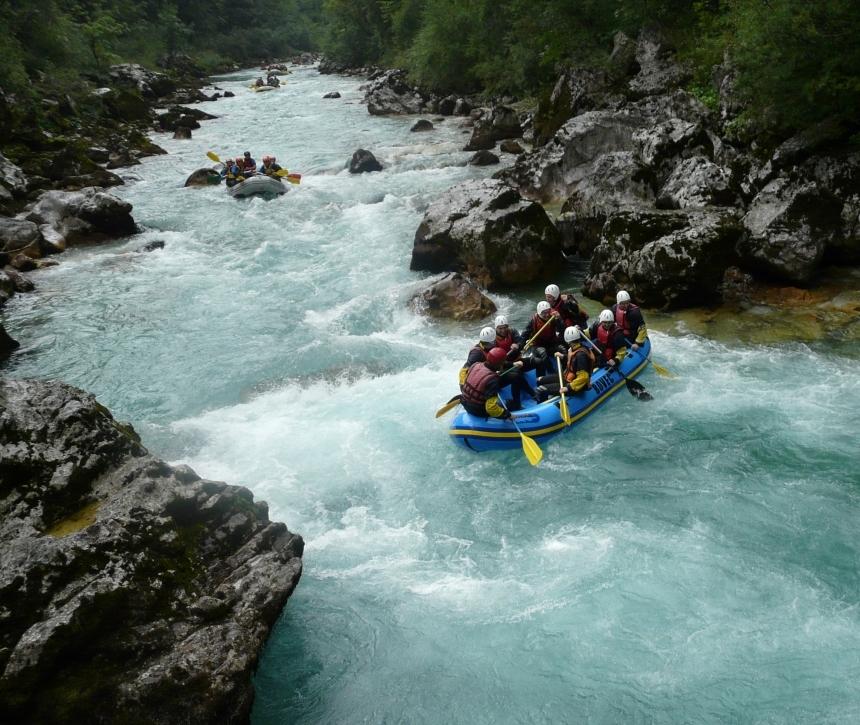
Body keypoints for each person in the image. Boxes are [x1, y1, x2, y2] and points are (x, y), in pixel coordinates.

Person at [535, 326, 595, 401]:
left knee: (540, 390)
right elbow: (573, 360)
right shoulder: (576, 348)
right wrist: (563, 356)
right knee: (539, 380)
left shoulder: (581, 355)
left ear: (568, 340)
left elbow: (583, 377)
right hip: (567, 378)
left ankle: (544, 406)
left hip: (575, 386)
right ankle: (550, 395)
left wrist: (568, 388)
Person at [460, 347, 514, 420]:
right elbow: (490, 408)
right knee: (509, 403)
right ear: (499, 364)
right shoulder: (493, 380)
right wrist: (506, 414)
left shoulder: (475, 365)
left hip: (464, 402)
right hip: (478, 411)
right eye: (502, 363)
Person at [519, 300, 563, 376]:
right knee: (543, 352)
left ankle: (566, 368)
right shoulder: (533, 321)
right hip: (537, 345)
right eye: (543, 313)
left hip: (551, 343)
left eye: (547, 312)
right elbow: (524, 335)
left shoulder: (553, 317)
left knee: (562, 348)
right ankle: (551, 372)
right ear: (539, 313)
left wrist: (559, 319)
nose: (546, 315)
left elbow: (561, 329)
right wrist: (520, 347)